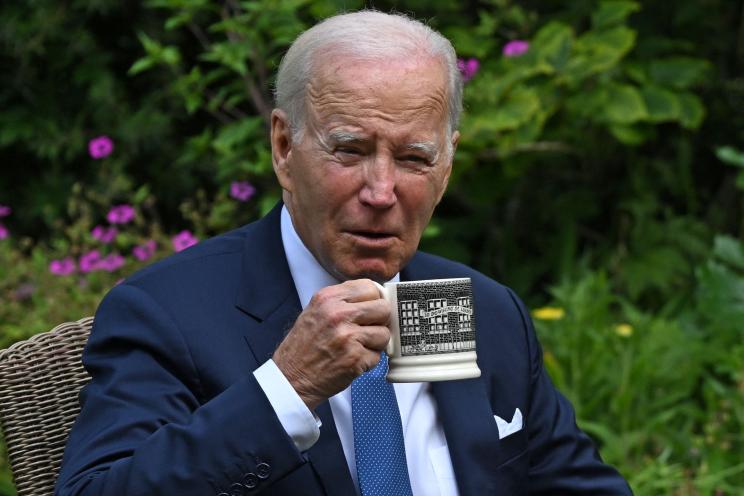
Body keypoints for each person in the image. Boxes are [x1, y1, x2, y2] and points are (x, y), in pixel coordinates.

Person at [56, 10, 632, 496]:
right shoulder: (169, 313)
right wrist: (289, 386)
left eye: (412, 158)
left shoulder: (467, 307)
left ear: (447, 164)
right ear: (284, 148)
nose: (381, 192)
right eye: (350, 151)